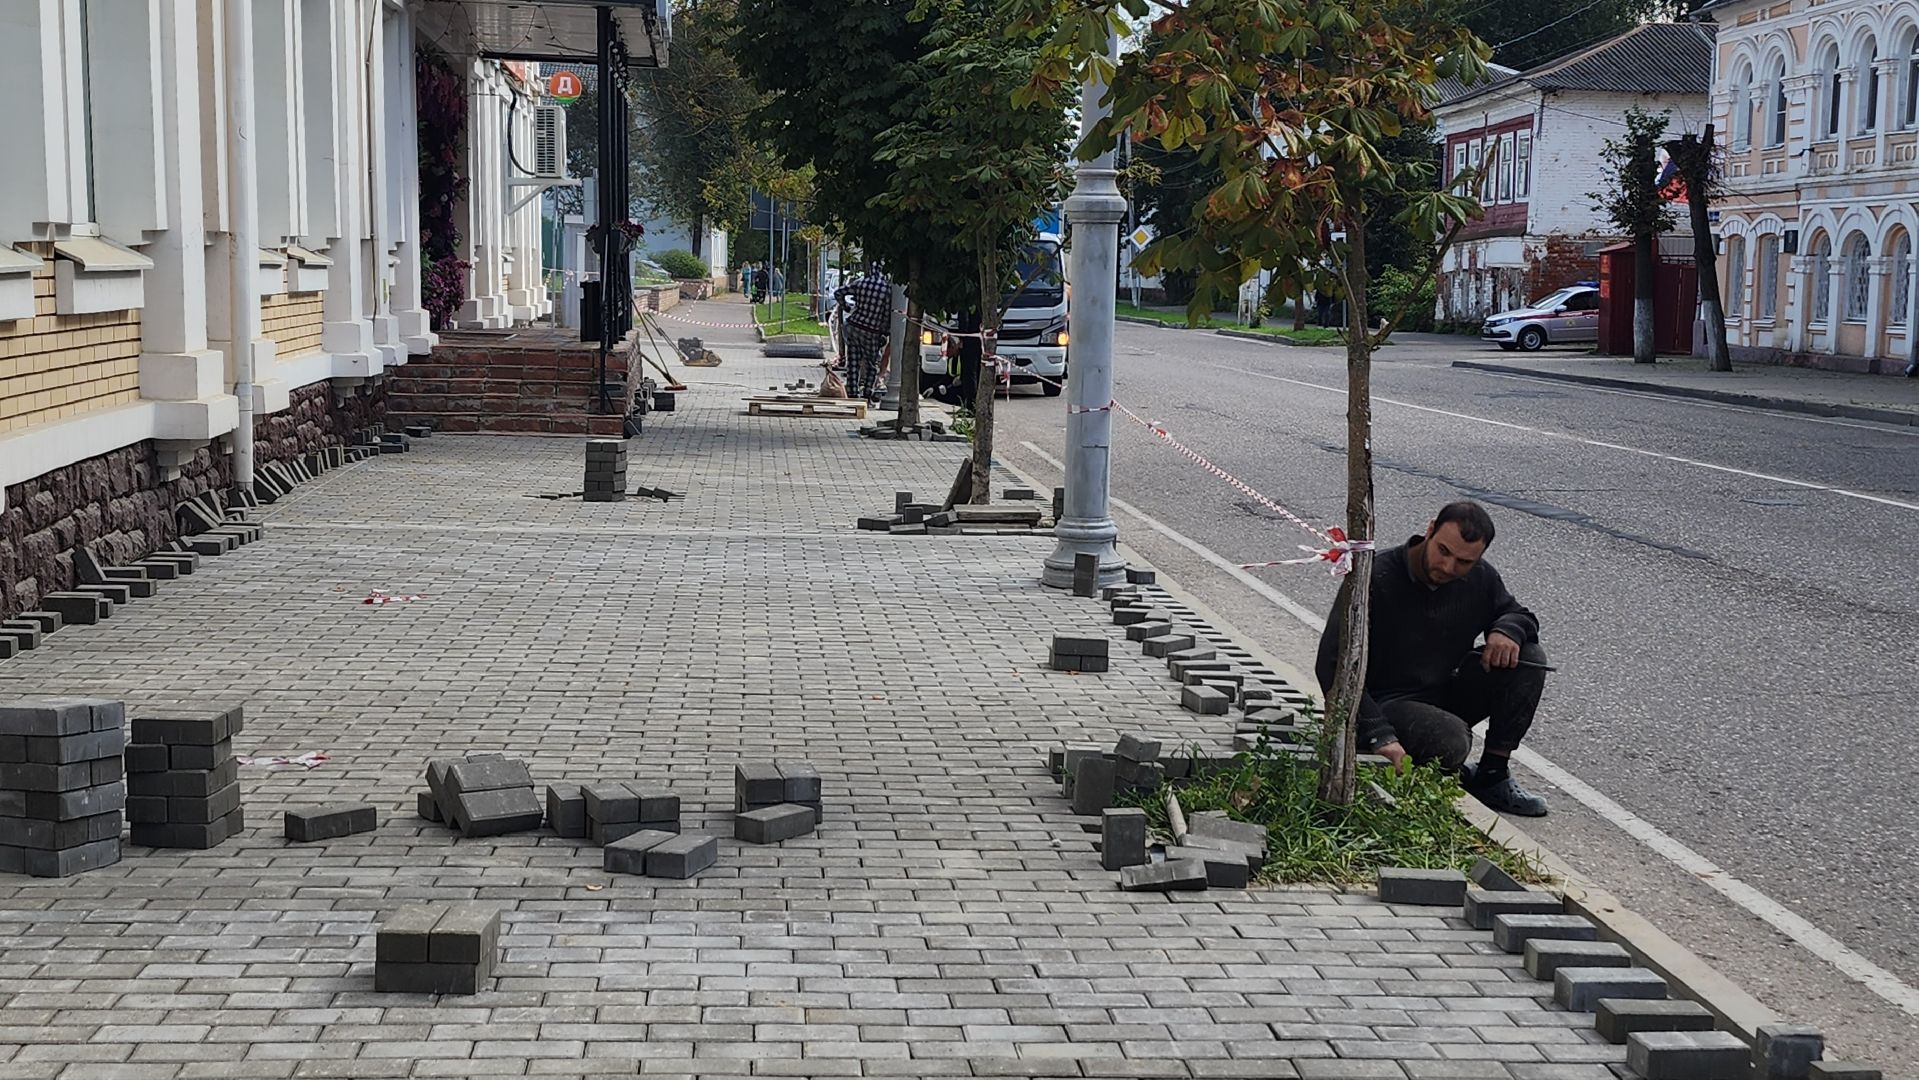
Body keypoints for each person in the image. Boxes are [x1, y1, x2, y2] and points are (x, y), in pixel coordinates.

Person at [1314, 500, 1551, 816]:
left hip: (1441, 692)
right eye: (1443, 551)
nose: (1449, 567)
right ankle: (1433, 765)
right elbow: (1331, 663)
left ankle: (1492, 775)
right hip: (1385, 703)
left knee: (1528, 657)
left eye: (1464, 561)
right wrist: (1377, 732)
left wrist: (1507, 629)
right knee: (1451, 741)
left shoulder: (1480, 578)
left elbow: (1520, 615)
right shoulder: (1375, 577)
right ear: (1430, 530)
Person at [835, 260, 893, 405]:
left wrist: (846, 307)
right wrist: (885, 332)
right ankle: (867, 394)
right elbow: (886, 315)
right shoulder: (886, 289)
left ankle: (852, 394)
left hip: (855, 326)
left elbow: (838, 293)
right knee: (871, 364)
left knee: (853, 362)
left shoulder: (860, 283)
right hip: (872, 331)